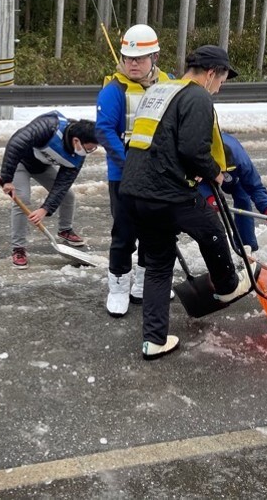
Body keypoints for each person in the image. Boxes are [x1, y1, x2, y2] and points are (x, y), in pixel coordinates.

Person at [120, 45, 252, 360]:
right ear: (211, 74)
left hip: (135, 190)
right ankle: (227, 285)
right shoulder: (197, 97)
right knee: (211, 229)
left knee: (157, 266)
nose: (220, 87)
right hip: (167, 191)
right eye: (222, 80)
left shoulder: (161, 90)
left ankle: (154, 340)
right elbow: (193, 150)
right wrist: (216, 174)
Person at [96, 24, 171, 316]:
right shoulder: (113, 91)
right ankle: (117, 287)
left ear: (154, 57)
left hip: (158, 175)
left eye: (139, 59)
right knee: (124, 233)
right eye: (128, 58)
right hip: (123, 177)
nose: (133, 64)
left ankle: (143, 282)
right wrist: (129, 167)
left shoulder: (169, 84)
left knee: (155, 232)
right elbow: (104, 131)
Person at [0, 112, 99, 269]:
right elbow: (16, 143)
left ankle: (65, 230)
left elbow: (62, 184)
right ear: (76, 140)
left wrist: (45, 209)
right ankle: (18, 249)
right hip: (21, 164)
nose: (89, 152)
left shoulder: (78, 155)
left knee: (68, 195)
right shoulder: (48, 126)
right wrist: (7, 179)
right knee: (22, 199)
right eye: (89, 148)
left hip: (42, 167)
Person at [199, 132, 267, 252]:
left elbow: (255, 186)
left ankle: (246, 248)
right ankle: (216, 252)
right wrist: (208, 197)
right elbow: (193, 182)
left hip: (234, 174)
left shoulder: (242, 162)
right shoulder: (200, 156)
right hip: (205, 175)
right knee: (206, 211)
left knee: (243, 200)